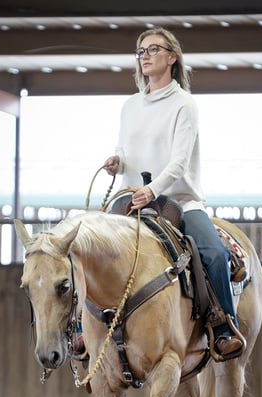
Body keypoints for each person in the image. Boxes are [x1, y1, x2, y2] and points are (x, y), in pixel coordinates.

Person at [103, 27, 244, 360]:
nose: (146, 56)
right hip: (132, 198)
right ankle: (85, 329)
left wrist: (151, 190)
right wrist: (117, 163)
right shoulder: (130, 106)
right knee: (91, 248)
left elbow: (179, 163)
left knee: (212, 254)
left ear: (172, 57)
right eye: (141, 51)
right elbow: (128, 152)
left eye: (153, 49)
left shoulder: (185, 105)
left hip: (180, 201)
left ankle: (223, 328)